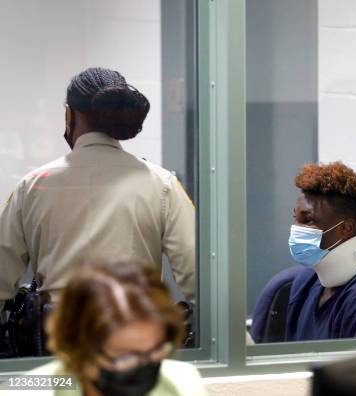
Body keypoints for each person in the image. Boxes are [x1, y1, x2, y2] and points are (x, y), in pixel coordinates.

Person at [0, 67, 196, 306]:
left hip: (58, 336)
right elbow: (197, 274)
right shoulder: (162, 184)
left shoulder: (32, 186)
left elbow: (2, 276)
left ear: (70, 115)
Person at [11, 261, 206, 396]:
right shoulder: (30, 389)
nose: (144, 366)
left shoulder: (182, 382)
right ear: (79, 351)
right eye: (125, 356)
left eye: (157, 350)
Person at [285, 162, 356, 341]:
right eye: (296, 219)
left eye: (308, 221)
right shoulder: (305, 281)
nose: (296, 229)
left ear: (346, 228)